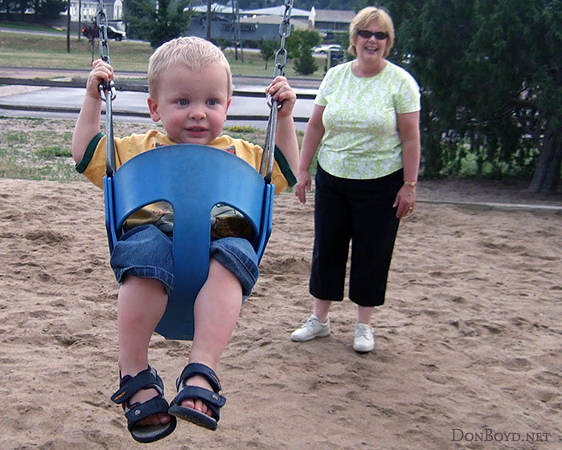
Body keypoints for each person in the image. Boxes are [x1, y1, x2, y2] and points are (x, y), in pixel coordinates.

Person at [72, 37, 299, 442]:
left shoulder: (243, 152)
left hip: (221, 246)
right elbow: (86, 154)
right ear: (154, 108)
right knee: (145, 253)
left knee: (234, 256)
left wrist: (283, 118)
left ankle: (202, 368)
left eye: (212, 102)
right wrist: (93, 99)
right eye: (182, 102)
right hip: (152, 241)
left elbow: (284, 171)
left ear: (227, 107)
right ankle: (135, 370)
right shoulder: (137, 149)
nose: (198, 113)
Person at [291, 6, 421, 353]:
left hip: (381, 182)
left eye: (380, 35)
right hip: (333, 177)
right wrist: (303, 170)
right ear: (354, 39)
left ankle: (364, 325)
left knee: (372, 252)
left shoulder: (400, 83)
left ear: (388, 42)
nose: (372, 41)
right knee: (328, 247)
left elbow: (410, 138)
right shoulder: (335, 77)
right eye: (366, 33)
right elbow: (316, 125)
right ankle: (320, 319)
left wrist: (409, 185)